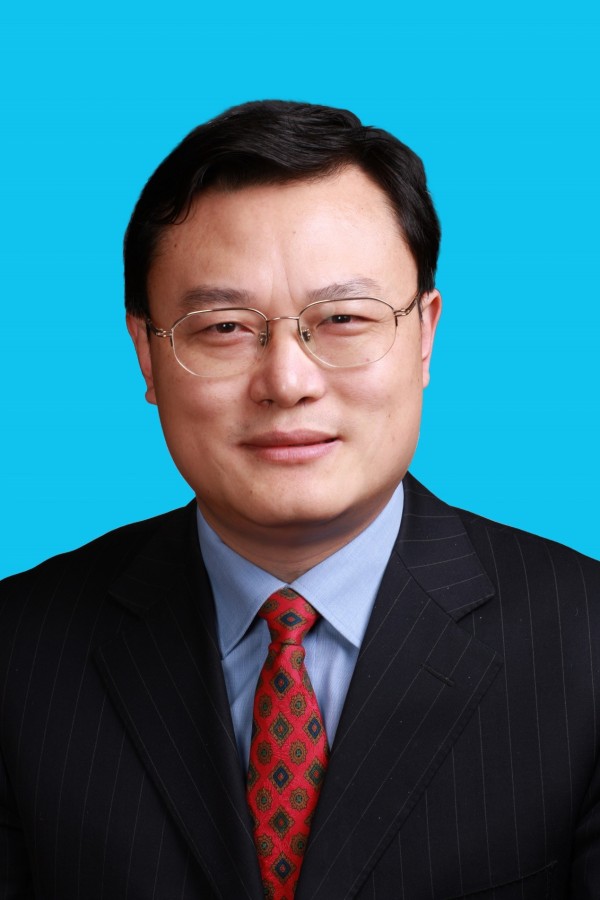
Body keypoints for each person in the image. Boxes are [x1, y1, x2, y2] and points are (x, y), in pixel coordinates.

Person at [0, 100, 598, 900]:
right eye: (224, 328)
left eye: (343, 318)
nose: (286, 382)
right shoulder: (19, 653)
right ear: (146, 351)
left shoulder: (586, 642)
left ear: (425, 335)